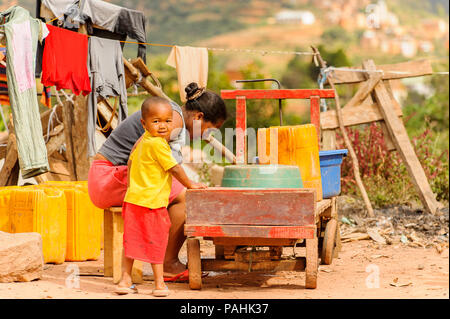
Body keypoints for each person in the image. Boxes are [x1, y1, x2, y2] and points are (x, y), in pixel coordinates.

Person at [88, 82, 227, 281]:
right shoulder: (173, 121)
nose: (208, 137)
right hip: (110, 178)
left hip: (107, 178)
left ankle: (162, 258)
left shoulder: (171, 115)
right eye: (210, 130)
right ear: (198, 117)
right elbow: (170, 166)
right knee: (188, 198)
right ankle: (169, 263)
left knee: (178, 190)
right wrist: (190, 185)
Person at [115, 97, 206, 296]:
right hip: (152, 203)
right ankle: (159, 284)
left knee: (131, 241)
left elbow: (130, 166)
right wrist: (190, 184)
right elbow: (175, 167)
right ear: (144, 123)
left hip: (133, 201)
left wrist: (132, 188)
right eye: (156, 121)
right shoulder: (158, 145)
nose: (163, 126)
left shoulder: (141, 143)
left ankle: (125, 280)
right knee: (157, 242)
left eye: (167, 120)